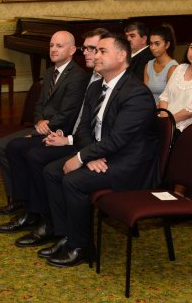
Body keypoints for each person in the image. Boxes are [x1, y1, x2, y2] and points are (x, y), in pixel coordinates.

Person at [41, 32, 159, 267]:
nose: (96, 55)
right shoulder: (96, 88)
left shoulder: (136, 92)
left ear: (122, 55)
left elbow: (120, 139)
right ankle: (68, 235)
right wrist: (90, 156)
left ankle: (82, 247)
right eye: (96, 51)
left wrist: (83, 156)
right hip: (105, 155)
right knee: (52, 171)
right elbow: (85, 130)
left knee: (73, 180)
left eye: (103, 51)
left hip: (129, 164)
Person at [0, 28, 107, 245]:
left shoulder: (87, 79)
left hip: (76, 139)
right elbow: (45, 107)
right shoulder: (89, 78)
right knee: (14, 148)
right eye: (88, 49)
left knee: (34, 155)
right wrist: (40, 124)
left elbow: (74, 117)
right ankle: (30, 210)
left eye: (95, 49)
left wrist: (68, 139)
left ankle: (45, 220)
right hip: (68, 135)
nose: (89, 54)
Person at [0, 31, 89, 216]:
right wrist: (38, 122)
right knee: (0, 146)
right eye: (52, 45)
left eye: (59, 46)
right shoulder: (50, 71)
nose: (53, 49)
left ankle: (25, 200)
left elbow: (67, 114)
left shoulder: (77, 76)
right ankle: (19, 198)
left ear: (72, 50)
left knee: (10, 147)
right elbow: (39, 104)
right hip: (41, 126)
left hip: (58, 131)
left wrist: (41, 130)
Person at [143, 24, 178, 103]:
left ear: (167, 45)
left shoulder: (173, 67)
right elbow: (145, 93)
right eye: (151, 43)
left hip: (164, 110)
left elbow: (170, 99)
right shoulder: (148, 65)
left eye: (157, 44)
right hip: (148, 108)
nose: (153, 47)